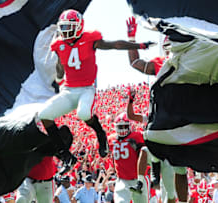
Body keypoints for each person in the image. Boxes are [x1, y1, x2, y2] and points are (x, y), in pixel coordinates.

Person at [38, 9, 154, 175]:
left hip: (86, 88)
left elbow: (116, 45)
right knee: (44, 114)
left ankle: (100, 134)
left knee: (84, 113)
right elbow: (60, 73)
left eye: (68, 27)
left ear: (78, 27)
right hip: (68, 89)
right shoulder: (59, 45)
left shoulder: (90, 39)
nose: (65, 31)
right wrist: (57, 57)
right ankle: (65, 156)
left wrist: (139, 45)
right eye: (63, 28)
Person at [126, 16, 188, 203]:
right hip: (164, 117)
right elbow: (135, 63)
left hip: (181, 118)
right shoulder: (161, 63)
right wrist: (131, 40)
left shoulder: (190, 62)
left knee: (180, 169)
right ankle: (153, 172)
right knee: (149, 143)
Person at [126, 89, 176, 203]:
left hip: (168, 157)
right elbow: (131, 116)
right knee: (144, 150)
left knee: (170, 194)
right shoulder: (151, 117)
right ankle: (140, 182)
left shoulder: (171, 118)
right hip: (154, 153)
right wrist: (130, 100)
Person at [108, 112, 149, 203]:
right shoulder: (112, 139)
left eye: (125, 126)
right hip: (122, 180)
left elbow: (145, 154)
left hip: (138, 180)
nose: (122, 129)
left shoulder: (136, 136)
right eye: (120, 127)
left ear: (130, 126)